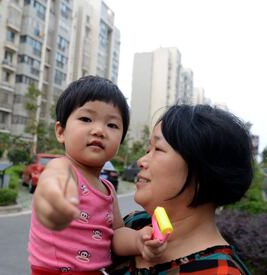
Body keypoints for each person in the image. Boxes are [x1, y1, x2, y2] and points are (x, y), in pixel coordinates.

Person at [28, 75, 166, 275]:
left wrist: (138, 241)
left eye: (112, 125)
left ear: (120, 140)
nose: (99, 130)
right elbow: (54, 180)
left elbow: (116, 234)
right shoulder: (63, 167)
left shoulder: (107, 189)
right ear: (61, 132)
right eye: (86, 119)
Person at [108, 104, 253, 274]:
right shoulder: (132, 226)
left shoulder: (220, 271)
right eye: (148, 149)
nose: (141, 160)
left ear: (203, 172)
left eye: (159, 149)